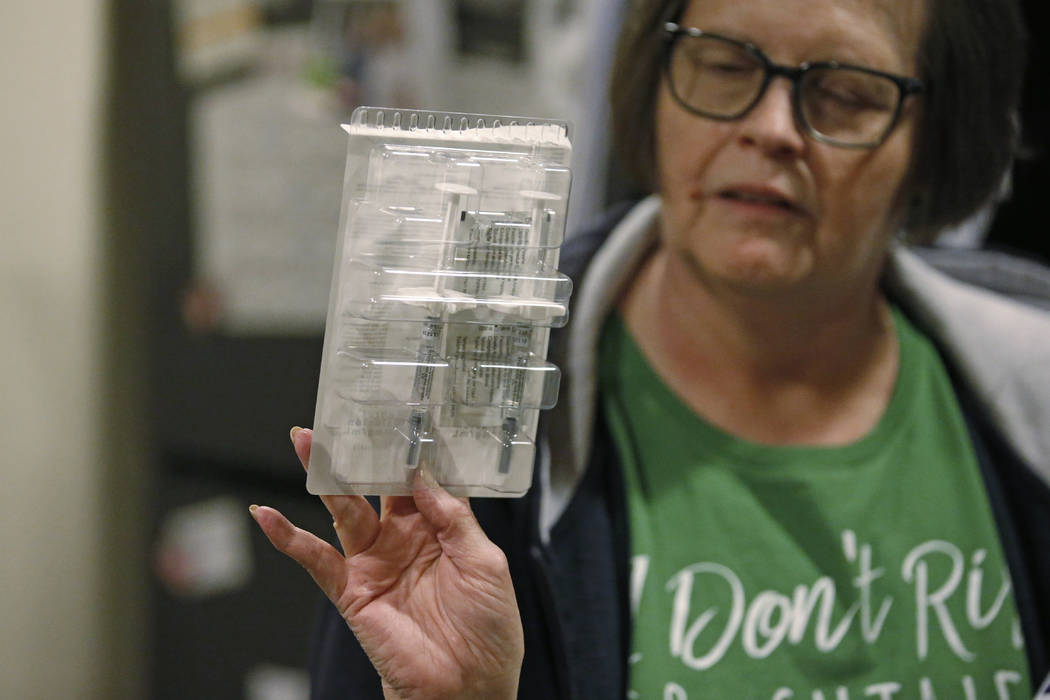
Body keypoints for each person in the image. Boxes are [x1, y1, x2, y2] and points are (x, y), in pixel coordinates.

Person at [251, 0, 1050, 697]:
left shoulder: (1028, 382)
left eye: (843, 96)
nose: (770, 128)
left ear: (938, 138)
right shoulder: (476, 426)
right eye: (725, 66)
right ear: (653, 81)